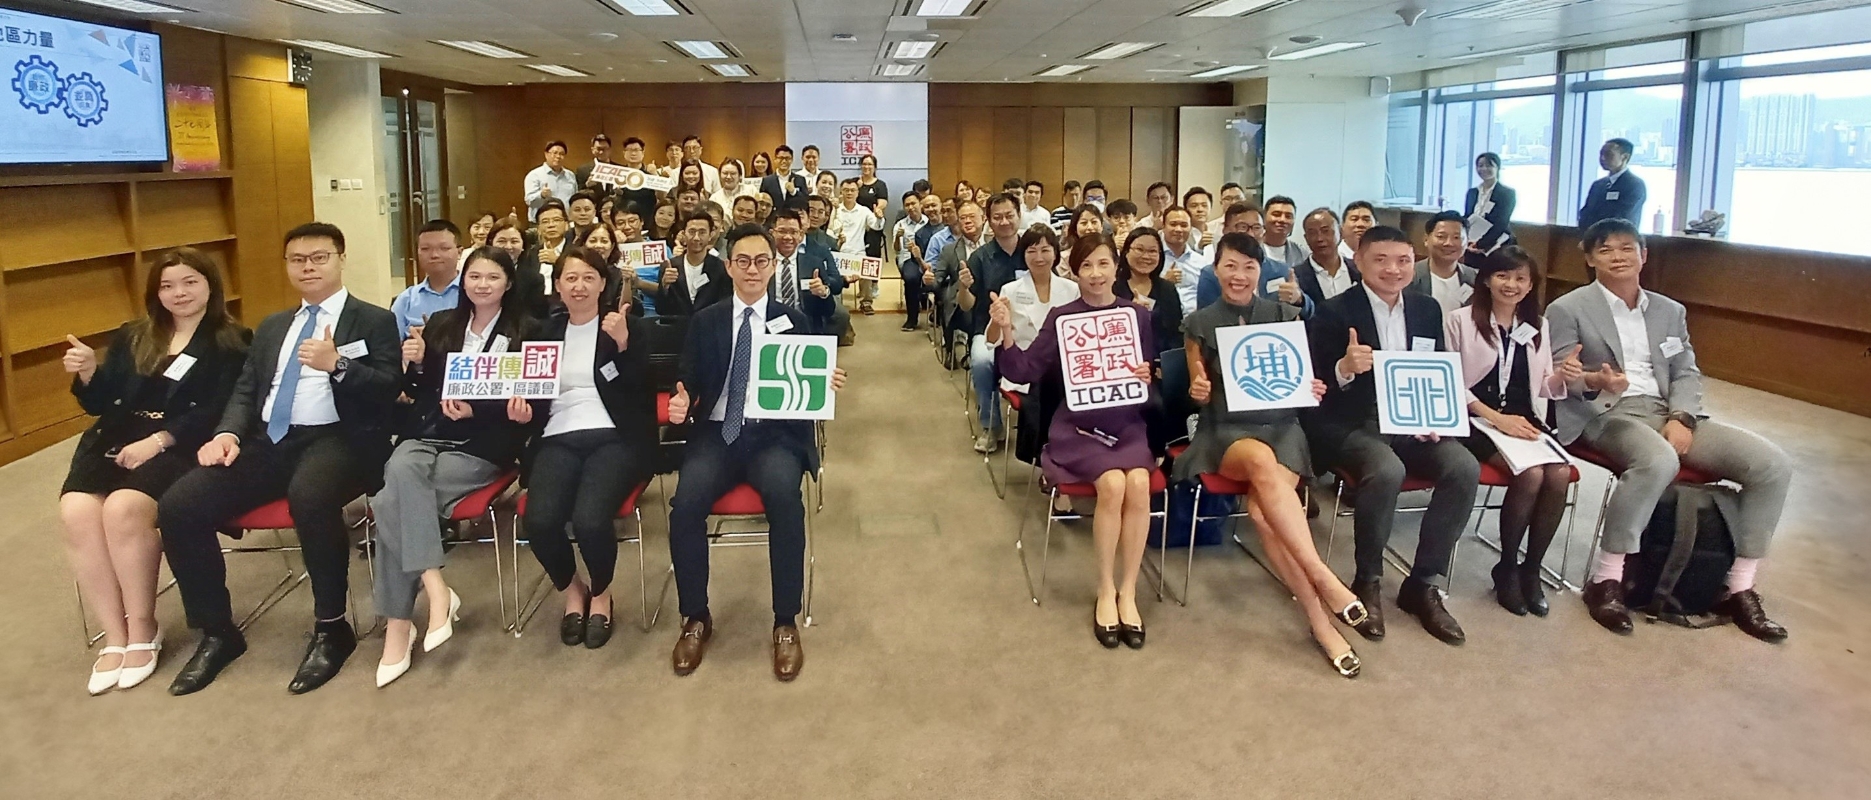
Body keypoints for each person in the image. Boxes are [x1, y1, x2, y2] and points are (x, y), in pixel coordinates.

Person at [159, 222, 402, 695]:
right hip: (270, 439)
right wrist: (227, 433)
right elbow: (247, 389)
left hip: (341, 438)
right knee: (179, 505)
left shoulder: (372, 319)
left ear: (341, 259)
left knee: (310, 497)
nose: (308, 267)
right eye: (297, 260)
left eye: (319, 257)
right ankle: (217, 631)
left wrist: (338, 365)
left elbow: (388, 388)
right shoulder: (272, 326)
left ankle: (331, 627)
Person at [1549, 219, 1791, 643]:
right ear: (1589, 259)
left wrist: (1682, 417)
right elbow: (1557, 377)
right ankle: (1607, 579)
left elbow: (1686, 373)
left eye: (1627, 248)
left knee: (1771, 465)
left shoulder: (1669, 311)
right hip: (1604, 412)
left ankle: (1737, 587)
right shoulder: (1567, 308)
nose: (1618, 256)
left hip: (1666, 411)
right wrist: (1595, 380)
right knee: (1658, 461)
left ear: (1644, 255)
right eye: (1605, 250)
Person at [1176, 233, 1372, 677]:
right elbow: (1195, 388)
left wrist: (1312, 387)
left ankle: (1321, 623)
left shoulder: (1285, 315)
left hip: (1283, 430)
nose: (1239, 275)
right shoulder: (1199, 323)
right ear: (1215, 270)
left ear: (1260, 271)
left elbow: (1302, 378)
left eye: (1249, 267)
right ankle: (1324, 579)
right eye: (1230, 265)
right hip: (1227, 432)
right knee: (1261, 464)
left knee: (1263, 516)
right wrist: (1198, 388)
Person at [663, 223, 849, 682]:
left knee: (785, 500)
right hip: (716, 434)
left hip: (774, 435)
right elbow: (686, 377)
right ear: (728, 266)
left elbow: (807, 380)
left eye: (761, 261)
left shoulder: (793, 319)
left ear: (772, 266)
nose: (752, 269)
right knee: (685, 505)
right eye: (742, 261)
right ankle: (695, 617)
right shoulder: (706, 320)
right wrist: (682, 399)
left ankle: (785, 622)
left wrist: (822, 381)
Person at [60, 249, 250, 695]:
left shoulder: (233, 341)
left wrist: (160, 440)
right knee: (76, 512)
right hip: (117, 439)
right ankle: (116, 634)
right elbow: (101, 403)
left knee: (124, 509)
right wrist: (88, 374)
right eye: (167, 285)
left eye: (189, 282)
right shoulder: (134, 335)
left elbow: (219, 410)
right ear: (155, 292)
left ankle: (144, 625)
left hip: (182, 444)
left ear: (210, 286)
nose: (178, 293)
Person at [1305, 225, 1479, 646]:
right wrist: (1345, 368)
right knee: (1386, 470)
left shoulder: (1426, 308)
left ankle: (1422, 583)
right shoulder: (1332, 311)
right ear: (1359, 261)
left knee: (1463, 467)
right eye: (1380, 260)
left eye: (1402, 260)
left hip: (1411, 420)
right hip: (1352, 421)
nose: (1393, 269)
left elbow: (1434, 369)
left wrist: (1433, 415)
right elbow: (1314, 383)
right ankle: (1367, 580)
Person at [373, 246, 538, 686]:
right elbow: (419, 390)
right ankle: (436, 588)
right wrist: (416, 362)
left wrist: (482, 410)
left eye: (493, 277)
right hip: (427, 433)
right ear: (464, 280)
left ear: (508, 283)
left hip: (481, 444)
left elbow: (532, 400)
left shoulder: (528, 330)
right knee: (399, 479)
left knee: (389, 500)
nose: (482, 285)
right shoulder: (443, 323)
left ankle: (398, 627)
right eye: (474, 276)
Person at [993, 234, 1158, 649]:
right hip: (1078, 428)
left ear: (1117, 267)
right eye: (1086, 266)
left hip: (1125, 424)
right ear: (1074, 271)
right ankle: (1105, 589)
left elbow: (1151, 373)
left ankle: (1129, 592)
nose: (1096, 274)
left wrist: (1148, 373)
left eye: (1103, 264)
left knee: (1139, 483)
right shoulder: (1062, 317)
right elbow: (1023, 369)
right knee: (1113, 484)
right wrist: (1006, 329)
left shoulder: (1136, 316)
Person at [522, 246, 657, 650]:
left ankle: (601, 593)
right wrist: (520, 408)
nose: (579, 286)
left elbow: (643, 391)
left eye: (588, 278)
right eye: (570, 278)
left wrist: (623, 346)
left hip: (614, 436)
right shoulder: (542, 333)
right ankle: (572, 589)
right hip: (557, 436)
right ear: (557, 285)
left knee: (590, 520)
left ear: (603, 284)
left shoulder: (626, 326)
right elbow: (532, 396)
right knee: (540, 521)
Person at [1443, 246, 1577, 618]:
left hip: (1523, 418)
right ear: (1486, 278)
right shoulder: (1459, 320)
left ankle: (1530, 568)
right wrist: (1495, 418)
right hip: (1475, 418)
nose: (1511, 285)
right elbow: (1450, 382)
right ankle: (1506, 566)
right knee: (1531, 475)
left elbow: (1543, 387)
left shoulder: (1538, 325)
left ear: (1531, 285)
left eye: (1520, 278)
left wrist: (1561, 377)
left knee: (1559, 474)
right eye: (1503, 275)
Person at [960, 194, 1024, 453]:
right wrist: (963, 287)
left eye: (1009, 215)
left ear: (1019, 216)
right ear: (988, 220)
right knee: (981, 361)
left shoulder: (1033, 250)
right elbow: (966, 305)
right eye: (997, 217)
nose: (1004, 221)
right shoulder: (980, 257)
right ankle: (991, 425)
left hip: (1028, 328)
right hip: (989, 329)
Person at [1195, 203, 1312, 318]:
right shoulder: (1211, 273)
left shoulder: (1281, 270)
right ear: (1225, 230)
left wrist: (1299, 299)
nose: (1250, 234)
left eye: (1256, 228)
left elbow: (1308, 313)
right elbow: (1205, 319)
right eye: (1242, 227)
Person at [770, 207, 846, 336]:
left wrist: (823, 293)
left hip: (806, 327)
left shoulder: (814, 264)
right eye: (782, 231)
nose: (787, 237)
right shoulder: (762, 263)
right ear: (772, 233)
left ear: (800, 235)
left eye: (793, 232)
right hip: (770, 327)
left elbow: (828, 311)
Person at [1114, 227, 1181, 363]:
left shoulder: (1167, 289)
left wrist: (1166, 366)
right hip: (1122, 362)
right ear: (1126, 252)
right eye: (1139, 249)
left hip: (1160, 366)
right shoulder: (1113, 288)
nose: (1146, 256)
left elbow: (1176, 335)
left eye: (1152, 251)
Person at [390, 219, 463, 338]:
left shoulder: (474, 293)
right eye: (425, 249)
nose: (434, 255)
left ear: (459, 252)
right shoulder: (406, 300)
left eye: (444, 248)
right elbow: (392, 343)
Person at [659, 209, 730, 317]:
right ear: (683, 234)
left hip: (708, 323)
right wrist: (664, 286)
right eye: (692, 232)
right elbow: (660, 309)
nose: (696, 238)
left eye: (702, 232)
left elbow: (724, 306)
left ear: (710, 235)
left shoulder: (720, 268)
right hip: (677, 325)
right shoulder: (670, 266)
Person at [931, 200, 986, 338]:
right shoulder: (949, 250)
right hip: (961, 303)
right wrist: (929, 279)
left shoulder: (994, 245)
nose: (967, 221)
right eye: (963, 218)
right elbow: (937, 280)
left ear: (984, 218)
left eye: (972, 216)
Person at [832, 177, 884, 315]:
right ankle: (836, 304)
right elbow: (830, 231)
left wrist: (879, 217)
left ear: (857, 193)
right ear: (841, 192)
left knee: (867, 269)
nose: (849, 193)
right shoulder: (835, 210)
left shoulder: (864, 210)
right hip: (839, 252)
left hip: (858, 252)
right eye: (846, 190)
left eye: (852, 190)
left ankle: (866, 302)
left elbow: (876, 226)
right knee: (832, 272)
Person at [1411, 211, 1477, 314]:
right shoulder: (1410, 276)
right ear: (1426, 239)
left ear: (1467, 242)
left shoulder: (1475, 278)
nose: (1449, 243)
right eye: (1441, 236)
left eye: (1456, 237)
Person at [1293, 207, 1362, 305]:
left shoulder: (1360, 269)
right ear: (1306, 238)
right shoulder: (1296, 277)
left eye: (1325, 231)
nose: (1319, 238)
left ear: (1341, 232)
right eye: (1312, 233)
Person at [1579, 137, 1647, 230]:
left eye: (1608, 154)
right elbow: (1585, 213)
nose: (1602, 158)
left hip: (1619, 236)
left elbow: (1621, 217)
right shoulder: (1598, 185)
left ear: (1625, 157)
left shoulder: (1635, 185)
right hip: (1593, 236)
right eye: (1601, 154)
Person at [891, 190, 930, 331]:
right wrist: (898, 237)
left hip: (928, 256)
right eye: (907, 205)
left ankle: (938, 313)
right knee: (912, 278)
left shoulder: (929, 222)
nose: (911, 207)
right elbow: (896, 250)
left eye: (913, 203)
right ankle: (912, 318)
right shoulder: (900, 225)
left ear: (920, 204)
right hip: (908, 259)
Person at [1159, 206, 1209, 312]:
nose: (1178, 229)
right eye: (1173, 224)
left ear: (1191, 228)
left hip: (1194, 318)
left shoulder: (1201, 262)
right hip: (1162, 317)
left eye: (1184, 225)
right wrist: (1164, 283)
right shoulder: (1153, 258)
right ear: (1163, 227)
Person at [1466, 152, 1516, 254]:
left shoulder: (1507, 193)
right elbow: (1468, 217)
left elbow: (1501, 222)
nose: (1484, 169)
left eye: (1489, 165)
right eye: (1480, 166)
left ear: (1498, 168)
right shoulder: (1472, 192)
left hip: (1498, 244)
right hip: (1472, 242)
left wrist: (1481, 244)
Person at [523, 140, 576, 222]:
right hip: (541, 222)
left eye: (561, 154)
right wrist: (541, 195)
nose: (558, 156)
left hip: (565, 221)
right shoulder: (534, 175)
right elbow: (528, 200)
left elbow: (574, 200)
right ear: (546, 154)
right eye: (555, 153)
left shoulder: (570, 175)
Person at [612, 137, 660, 221]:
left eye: (636, 150)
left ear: (643, 153)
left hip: (647, 218)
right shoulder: (617, 174)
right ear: (624, 153)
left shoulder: (650, 175)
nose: (633, 153)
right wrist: (617, 194)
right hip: (624, 218)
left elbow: (661, 197)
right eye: (629, 150)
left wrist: (656, 177)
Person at [1261, 196, 1308, 268]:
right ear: (1264, 217)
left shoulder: (1301, 253)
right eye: (1276, 215)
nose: (1282, 220)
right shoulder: (1250, 248)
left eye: (1288, 216)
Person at [761, 145, 811, 211]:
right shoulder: (767, 181)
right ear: (775, 159)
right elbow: (762, 202)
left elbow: (806, 202)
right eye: (781, 158)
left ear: (792, 160)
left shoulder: (800, 179)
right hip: (773, 216)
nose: (784, 161)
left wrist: (794, 192)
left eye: (787, 158)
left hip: (793, 216)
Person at [534, 200, 573, 268]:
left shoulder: (576, 251)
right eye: (545, 221)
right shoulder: (531, 254)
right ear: (538, 228)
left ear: (566, 225)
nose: (551, 225)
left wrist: (557, 261)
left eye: (556, 220)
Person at [1182, 187, 1214, 251]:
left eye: (1204, 205)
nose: (1200, 209)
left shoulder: (1216, 230)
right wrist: (1199, 248)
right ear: (1186, 210)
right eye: (1194, 206)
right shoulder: (1181, 234)